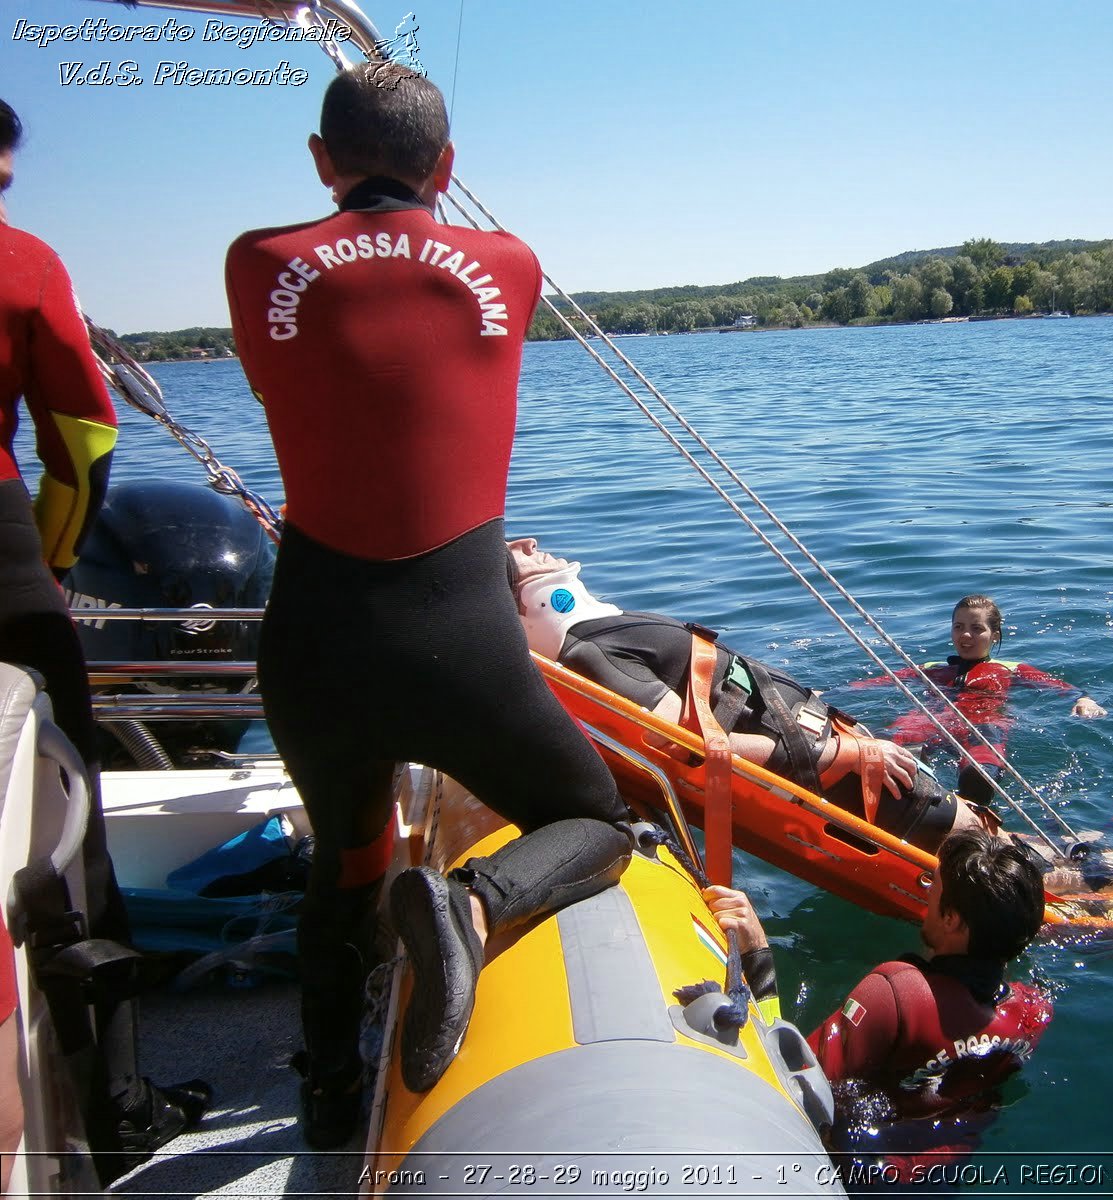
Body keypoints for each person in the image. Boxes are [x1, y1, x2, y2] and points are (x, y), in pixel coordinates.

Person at [224, 66, 631, 1146]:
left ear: (321, 162)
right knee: (598, 822)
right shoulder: (511, 263)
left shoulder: (255, 261)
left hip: (315, 641)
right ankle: (472, 903)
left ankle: (322, 1102)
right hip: (461, 644)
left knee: (344, 867)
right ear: (447, 168)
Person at [509, 540, 1113, 895]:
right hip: (829, 766)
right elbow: (688, 747)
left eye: (980, 628)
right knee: (961, 830)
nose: (533, 543)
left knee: (970, 819)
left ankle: (1074, 862)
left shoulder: (596, 636)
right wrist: (845, 755)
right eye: (516, 551)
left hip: (825, 738)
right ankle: (1100, 890)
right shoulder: (590, 652)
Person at [0, 98, 209, 1179]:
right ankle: (113, 1103)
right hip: (2, 559)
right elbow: (82, 431)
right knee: (66, 827)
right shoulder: (21, 261)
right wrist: (52, 554)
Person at [704, 829, 1052, 1138]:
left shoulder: (896, 992)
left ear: (951, 918)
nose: (926, 893)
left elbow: (789, 1088)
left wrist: (757, 956)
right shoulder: (1033, 1011)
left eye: (934, 882)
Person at [852, 594, 1106, 806]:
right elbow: (876, 683)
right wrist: (829, 694)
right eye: (959, 627)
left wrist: (1084, 699)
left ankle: (971, 801)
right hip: (930, 720)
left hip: (981, 723)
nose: (965, 635)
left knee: (981, 764)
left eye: (977, 629)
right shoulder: (931, 667)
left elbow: (1058, 687)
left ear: (995, 635)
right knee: (883, 745)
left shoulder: (1012, 668)